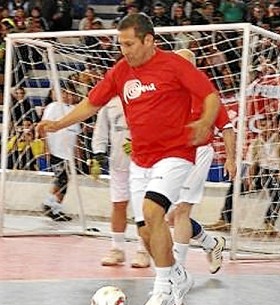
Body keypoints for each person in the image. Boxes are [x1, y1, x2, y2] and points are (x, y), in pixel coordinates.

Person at [36, 13, 220, 305]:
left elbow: (210, 95)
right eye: (121, 44)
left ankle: (163, 289)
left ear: (149, 40)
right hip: (140, 159)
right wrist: (58, 124)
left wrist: (205, 121)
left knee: (152, 211)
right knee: (146, 230)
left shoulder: (175, 65)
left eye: (130, 44)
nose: (125, 50)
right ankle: (178, 275)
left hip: (175, 154)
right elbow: (91, 103)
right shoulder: (121, 71)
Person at [167, 48, 236, 274]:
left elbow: (226, 127)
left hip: (198, 154)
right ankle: (210, 243)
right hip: (173, 154)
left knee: (181, 212)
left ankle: (176, 269)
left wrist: (231, 159)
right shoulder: (167, 93)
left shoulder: (207, 94)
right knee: (169, 215)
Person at [91, 96, 150, 268]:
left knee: (142, 210)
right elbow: (100, 129)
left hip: (144, 163)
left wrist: (141, 144)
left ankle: (143, 250)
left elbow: (158, 128)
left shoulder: (147, 97)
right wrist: (98, 152)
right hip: (118, 163)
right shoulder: (110, 102)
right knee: (118, 204)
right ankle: (117, 249)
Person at [41, 82, 81, 222]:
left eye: (70, 93)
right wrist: (46, 147)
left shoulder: (74, 109)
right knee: (61, 178)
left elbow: (76, 134)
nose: (67, 95)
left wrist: (77, 153)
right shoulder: (54, 107)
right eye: (64, 92)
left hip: (68, 153)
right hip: (56, 150)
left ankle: (56, 208)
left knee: (65, 180)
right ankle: (48, 203)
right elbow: (43, 126)